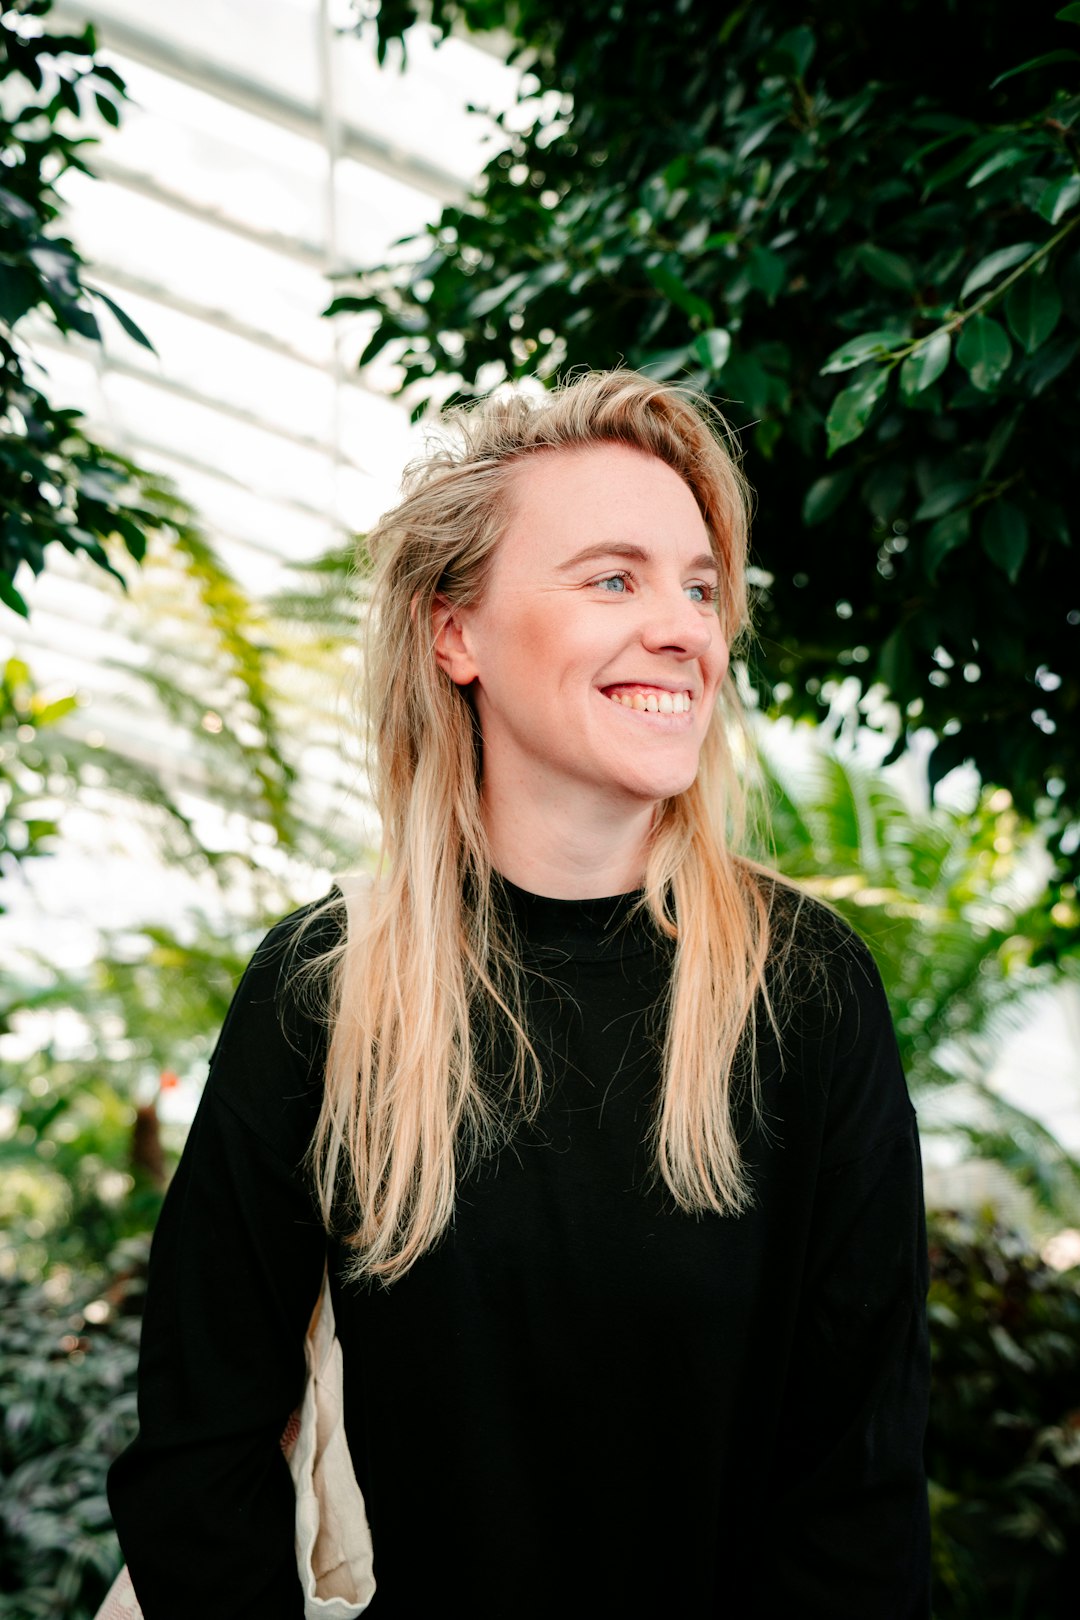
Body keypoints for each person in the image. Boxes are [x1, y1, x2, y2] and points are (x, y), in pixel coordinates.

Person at [107, 369, 931, 1617]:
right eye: (614, 577)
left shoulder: (803, 988)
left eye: (701, 587)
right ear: (457, 634)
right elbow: (198, 1448)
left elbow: (856, 1489)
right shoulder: (325, 990)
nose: (686, 628)